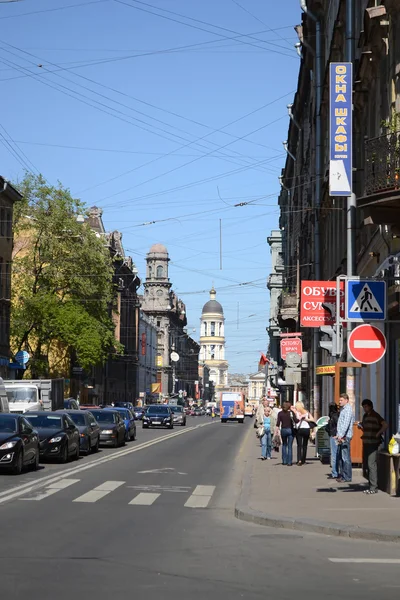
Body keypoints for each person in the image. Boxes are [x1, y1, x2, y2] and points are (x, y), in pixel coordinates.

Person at [359, 399, 388, 494]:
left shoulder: (376, 415)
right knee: (367, 464)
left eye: (366, 406)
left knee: (371, 464)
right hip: (366, 441)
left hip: (373, 442)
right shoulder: (365, 416)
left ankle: (373, 487)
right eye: (363, 407)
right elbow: (365, 427)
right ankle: (370, 485)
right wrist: (361, 426)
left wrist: (378, 433)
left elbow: (385, 424)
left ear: (370, 406)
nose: (365, 408)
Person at [335, 393, 355, 483]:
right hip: (342, 436)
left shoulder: (348, 410)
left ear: (347, 400)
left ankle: (347, 477)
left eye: (341, 400)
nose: (339, 402)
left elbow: (346, 424)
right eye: (339, 400)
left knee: (345, 457)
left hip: (345, 437)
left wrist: (341, 435)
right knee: (341, 457)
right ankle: (343, 475)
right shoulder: (344, 409)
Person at [293, 401, 314, 466]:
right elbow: (312, 419)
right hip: (306, 429)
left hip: (299, 429)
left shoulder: (296, 412)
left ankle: (299, 460)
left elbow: (295, 421)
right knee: (305, 445)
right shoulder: (307, 412)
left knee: (299, 445)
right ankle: (303, 460)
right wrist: (306, 419)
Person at [276, 401, 296, 466]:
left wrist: (276, 431)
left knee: (284, 445)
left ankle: (284, 461)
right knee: (290, 446)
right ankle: (289, 462)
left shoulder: (280, 413)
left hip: (283, 430)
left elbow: (278, 423)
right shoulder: (291, 413)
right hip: (290, 430)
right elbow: (296, 421)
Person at [326, 403, 340, 479]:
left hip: (334, 436)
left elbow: (338, 425)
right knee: (335, 454)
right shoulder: (335, 415)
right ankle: (336, 472)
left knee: (334, 454)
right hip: (335, 435)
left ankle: (335, 473)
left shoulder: (334, 416)